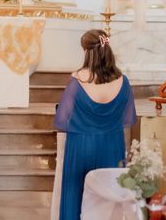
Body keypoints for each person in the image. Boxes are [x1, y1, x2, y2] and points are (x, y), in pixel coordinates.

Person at [54, 29, 136, 220]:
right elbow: (128, 117)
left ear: (87, 52)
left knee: (75, 196)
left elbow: (62, 118)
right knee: (109, 199)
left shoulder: (77, 79)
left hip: (81, 146)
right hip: (112, 145)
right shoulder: (123, 80)